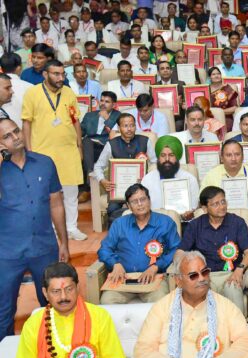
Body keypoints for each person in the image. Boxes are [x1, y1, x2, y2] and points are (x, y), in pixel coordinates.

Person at [0, 118, 68, 341]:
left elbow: (56, 204)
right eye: (7, 136)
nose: (16, 137)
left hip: (44, 248)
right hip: (7, 253)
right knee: (3, 311)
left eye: (16, 131)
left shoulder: (45, 163)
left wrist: (64, 242)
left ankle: (54, 354)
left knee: (53, 305)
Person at [21, 59, 85, 240]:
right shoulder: (32, 93)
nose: (60, 77)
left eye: (63, 74)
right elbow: (26, 123)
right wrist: (29, 151)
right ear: (45, 74)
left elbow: (75, 120)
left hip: (68, 151)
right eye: (56, 74)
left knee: (71, 193)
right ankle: (53, 230)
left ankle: (72, 228)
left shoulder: (69, 93)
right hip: (42, 154)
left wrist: (79, 146)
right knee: (47, 195)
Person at [175, 186, 248, 314]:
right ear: (205, 208)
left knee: (233, 288)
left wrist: (239, 270)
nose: (222, 206)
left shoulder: (237, 223)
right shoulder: (195, 226)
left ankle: (239, 330)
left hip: (232, 273)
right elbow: (180, 252)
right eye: (216, 204)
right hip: (205, 275)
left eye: (223, 202)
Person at [97, 183, 178, 303]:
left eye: (143, 199)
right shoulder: (119, 224)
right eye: (134, 201)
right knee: (107, 301)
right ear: (128, 206)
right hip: (123, 279)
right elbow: (104, 249)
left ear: (149, 200)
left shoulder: (166, 223)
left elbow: (177, 249)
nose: (140, 204)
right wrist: (115, 264)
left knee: (161, 302)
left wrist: (156, 266)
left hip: (154, 279)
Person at [199, 140, 248, 252]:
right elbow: (202, 200)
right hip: (218, 216)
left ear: (242, 156)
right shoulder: (211, 175)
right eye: (228, 155)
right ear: (221, 158)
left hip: (244, 215)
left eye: (237, 154)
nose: (233, 158)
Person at [93, 113, 154, 220]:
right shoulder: (111, 144)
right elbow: (98, 166)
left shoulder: (145, 141)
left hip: (142, 188)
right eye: (125, 126)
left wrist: (148, 179)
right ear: (119, 127)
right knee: (112, 210)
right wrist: (102, 180)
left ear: (135, 126)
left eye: (132, 125)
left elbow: (155, 163)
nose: (129, 129)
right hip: (119, 191)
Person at [141, 136, 199, 221]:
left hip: (182, 224)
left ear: (177, 157)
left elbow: (194, 208)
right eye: (163, 155)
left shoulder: (190, 179)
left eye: (171, 155)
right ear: (158, 157)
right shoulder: (147, 180)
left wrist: (187, 215)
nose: (167, 159)